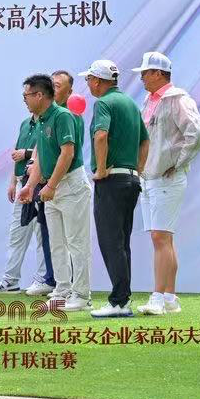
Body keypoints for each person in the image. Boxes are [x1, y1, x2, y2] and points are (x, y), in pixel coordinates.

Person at [133, 51, 200, 316]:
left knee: (160, 236)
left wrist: (178, 162)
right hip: (150, 176)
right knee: (162, 238)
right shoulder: (149, 99)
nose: (142, 77)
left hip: (166, 176)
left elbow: (197, 132)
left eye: (145, 72)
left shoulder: (177, 99)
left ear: (158, 73)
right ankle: (170, 298)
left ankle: (157, 297)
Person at [80, 59, 149, 318]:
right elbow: (145, 141)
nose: (87, 84)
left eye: (89, 79)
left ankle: (119, 302)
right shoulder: (130, 103)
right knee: (121, 242)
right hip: (130, 180)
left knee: (111, 242)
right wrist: (138, 170)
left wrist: (100, 169)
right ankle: (123, 299)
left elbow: (100, 135)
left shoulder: (104, 103)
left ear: (98, 80)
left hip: (112, 180)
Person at [21, 73, 91, 311]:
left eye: (27, 95)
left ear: (40, 95)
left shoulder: (63, 116)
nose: (25, 100)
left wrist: (50, 186)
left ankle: (81, 295)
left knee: (76, 242)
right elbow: (41, 156)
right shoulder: (40, 119)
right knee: (57, 243)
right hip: (50, 187)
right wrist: (31, 185)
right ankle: (62, 290)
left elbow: (67, 153)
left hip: (70, 184)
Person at [0, 97, 56, 296]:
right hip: (22, 183)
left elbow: (45, 152)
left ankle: (44, 279)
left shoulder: (50, 121)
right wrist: (12, 182)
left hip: (39, 183)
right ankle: (10, 280)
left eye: (29, 97)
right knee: (17, 235)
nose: (26, 101)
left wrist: (26, 154)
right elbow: (15, 154)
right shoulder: (26, 124)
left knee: (42, 234)